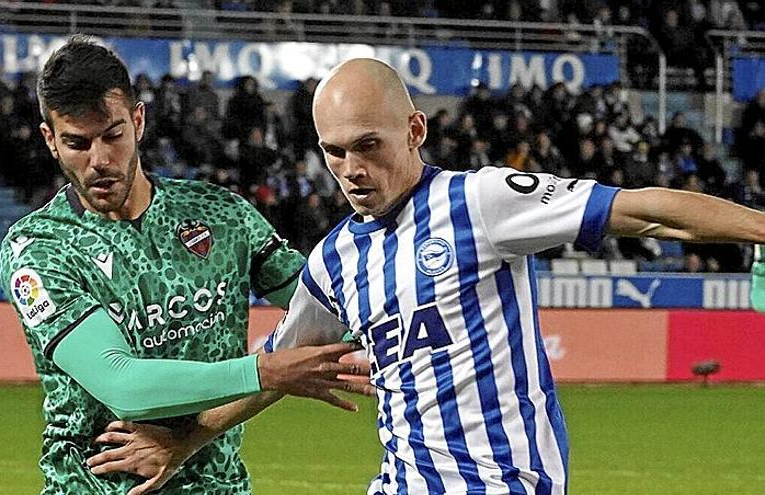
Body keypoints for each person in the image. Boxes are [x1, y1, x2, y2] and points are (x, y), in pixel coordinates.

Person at [93, 58, 765, 493]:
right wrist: (184, 439)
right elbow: (280, 363)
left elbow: (645, 212)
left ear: (414, 129)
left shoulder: (483, 202)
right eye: (334, 151)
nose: (351, 168)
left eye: (368, 145)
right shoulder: (334, 260)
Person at [0, 37, 370, 495]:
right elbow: (121, 384)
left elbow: (334, 316)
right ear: (50, 140)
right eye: (77, 143)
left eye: (113, 135)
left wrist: (191, 439)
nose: (99, 160)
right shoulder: (39, 248)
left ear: (138, 120)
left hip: (220, 487)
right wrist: (269, 369)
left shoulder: (222, 216)